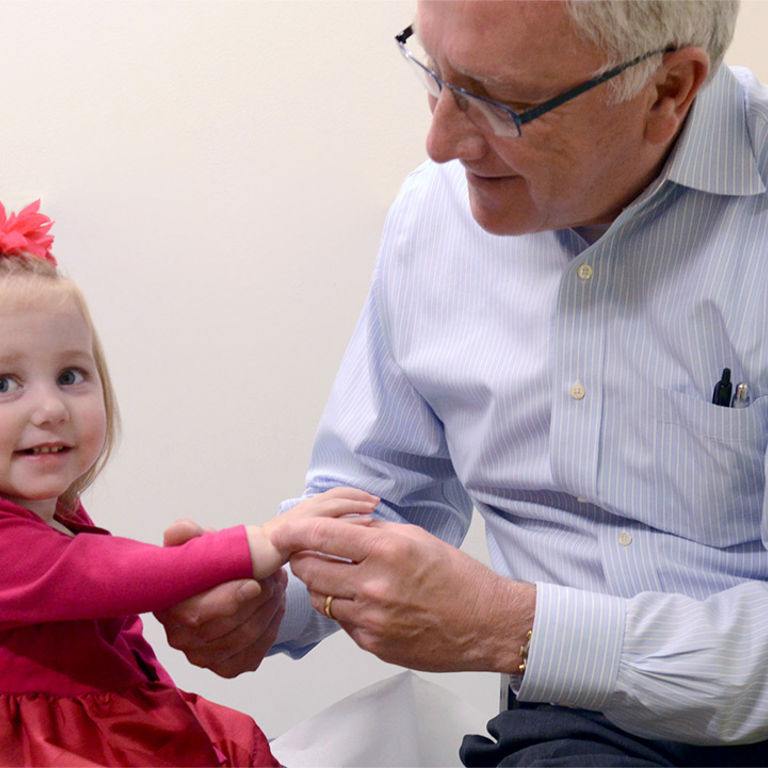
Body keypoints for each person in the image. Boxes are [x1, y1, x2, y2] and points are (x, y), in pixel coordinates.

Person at [157, 1, 768, 765]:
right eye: (436, 76)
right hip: (574, 733)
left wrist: (515, 627)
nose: (440, 141)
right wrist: (277, 598)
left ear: (669, 89)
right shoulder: (434, 216)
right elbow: (384, 491)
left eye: (501, 102)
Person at [0, 200, 379, 767]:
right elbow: (111, 575)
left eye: (71, 375)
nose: (51, 407)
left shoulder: (53, 515)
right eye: (4, 384)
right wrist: (263, 542)